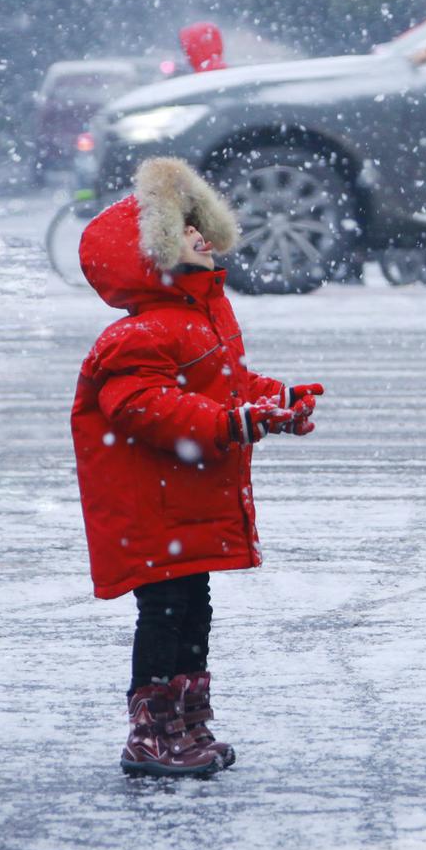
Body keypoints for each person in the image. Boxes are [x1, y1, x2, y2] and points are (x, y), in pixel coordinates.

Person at [71, 157, 324, 778]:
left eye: (198, 225)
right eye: (185, 231)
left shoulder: (201, 316)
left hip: (186, 503)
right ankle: (152, 731)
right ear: (153, 255)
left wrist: (270, 401)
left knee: (193, 607)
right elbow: (141, 406)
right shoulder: (140, 334)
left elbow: (222, 383)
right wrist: (227, 424)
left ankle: (185, 719)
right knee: (164, 612)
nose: (200, 237)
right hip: (158, 509)